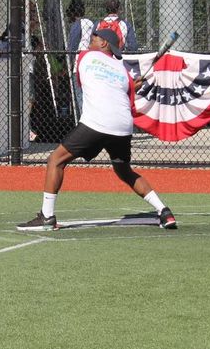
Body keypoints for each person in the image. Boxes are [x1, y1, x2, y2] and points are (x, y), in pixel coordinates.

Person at [17, 28, 177, 231]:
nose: (89, 42)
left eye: (94, 39)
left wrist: (128, 86)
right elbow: (124, 95)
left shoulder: (84, 56)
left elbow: (88, 84)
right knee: (124, 170)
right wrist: (131, 86)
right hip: (123, 126)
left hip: (97, 122)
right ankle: (164, 211)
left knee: (55, 160)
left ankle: (47, 217)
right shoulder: (124, 72)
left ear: (104, 44)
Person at [66, 0, 93, 119]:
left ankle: (84, 123)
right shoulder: (92, 23)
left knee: (80, 97)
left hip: (79, 65)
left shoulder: (77, 25)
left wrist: (69, 64)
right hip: (91, 63)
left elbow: (72, 47)